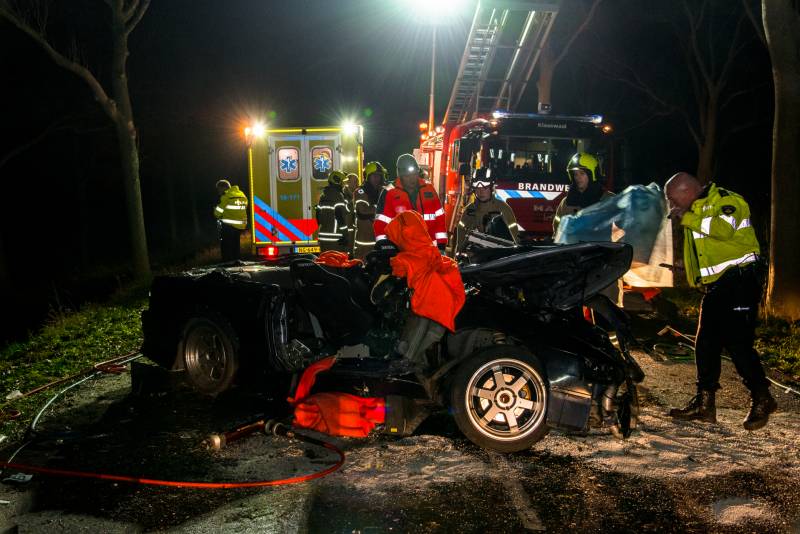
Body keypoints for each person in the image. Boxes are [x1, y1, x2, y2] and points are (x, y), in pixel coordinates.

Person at [665, 172, 776, 430]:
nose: (673, 206)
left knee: (738, 343)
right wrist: (685, 269)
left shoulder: (726, 200)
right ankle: (705, 404)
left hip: (741, 281)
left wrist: (689, 218)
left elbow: (724, 231)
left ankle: (762, 397)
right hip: (720, 286)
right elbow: (709, 251)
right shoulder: (701, 208)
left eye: (674, 199)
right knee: (705, 343)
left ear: (686, 191)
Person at [374, 154, 447, 251]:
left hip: (429, 250)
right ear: (400, 175)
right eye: (408, 176)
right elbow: (381, 223)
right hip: (402, 252)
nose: (412, 179)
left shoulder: (429, 189)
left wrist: (441, 246)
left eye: (414, 174)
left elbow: (440, 219)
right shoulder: (390, 193)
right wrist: (384, 247)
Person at [455, 168, 519, 254]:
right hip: (474, 260)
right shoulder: (469, 210)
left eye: (485, 188)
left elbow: (514, 238)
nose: (481, 192)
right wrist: (460, 256)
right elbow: (461, 236)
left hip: (497, 258)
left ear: (491, 188)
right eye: (477, 188)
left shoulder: (503, 209)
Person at [552, 152, 613, 235]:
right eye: (575, 174)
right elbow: (557, 227)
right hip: (573, 247)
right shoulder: (566, 203)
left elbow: (620, 229)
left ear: (592, 174)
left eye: (582, 173)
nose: (578, 177)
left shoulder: (608, 200)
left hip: (599, 247)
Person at [352, 161, 388, 259]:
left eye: (379, 176)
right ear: (367, 176)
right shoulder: (360, 191)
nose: (377, 178)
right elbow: (362, 211)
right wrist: (379, 208)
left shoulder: (382, 191)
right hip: (365, 242)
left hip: (380, 240)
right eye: (374, 176)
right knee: (362, 268)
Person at [214, 178, 248, 262]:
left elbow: (217, 213)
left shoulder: (226, 196)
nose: (218, 192)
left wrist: (216, 209)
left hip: (229, 225)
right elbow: (244, 207)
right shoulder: (241, 194)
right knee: (236, 245)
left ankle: (227, 264)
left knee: (226, 246)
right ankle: (236, 261)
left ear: (223, 188)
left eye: (219, 189)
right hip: (241, 225)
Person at [315, 170, 350, 253]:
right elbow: (340, 217)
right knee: (335, 263)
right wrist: (345, 234)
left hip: (323, 237)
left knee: (325, 262)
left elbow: (318, 217)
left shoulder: (323, 196)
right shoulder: (338, 196)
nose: (344, 185)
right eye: (343, 182)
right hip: (335, 239)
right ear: (338, 182)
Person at [344, 172, 358, 252]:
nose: (357, 184)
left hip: (353, 229)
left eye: (357, 181)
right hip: (347, 230)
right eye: (355, 181)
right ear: (348, 183)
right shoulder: (344, 194)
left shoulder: (355, 194)